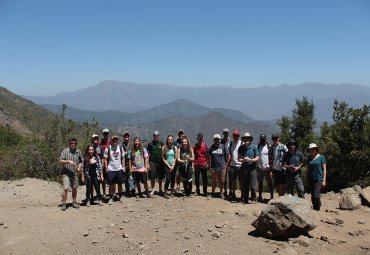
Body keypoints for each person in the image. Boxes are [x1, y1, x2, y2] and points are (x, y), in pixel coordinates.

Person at [59, 138, 83, 211]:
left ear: (76, 144)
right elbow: (60, 161)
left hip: (75, 173)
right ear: (69, 144)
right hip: (66, 172)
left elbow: (80, 161)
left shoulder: (78, 152)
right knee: (65, 188)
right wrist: (68, 161)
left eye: (75, 143)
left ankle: (74, 202)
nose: (73, 144)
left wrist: (79, 167)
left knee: (74, 188)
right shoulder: (65, 151)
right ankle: (64, 203)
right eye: (72, 143)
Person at [238, 133, 259, 204]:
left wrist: (250, 160)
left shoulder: (254, 147)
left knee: (253, 185)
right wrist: (244, 160)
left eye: (248, 138)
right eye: (245, 138)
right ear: (243, 139)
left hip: (252, 168)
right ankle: (246, 199)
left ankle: (254, 199)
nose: (246, 140)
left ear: (250, 139)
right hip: (244, 168)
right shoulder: (241, 148)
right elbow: (239, 159)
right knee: (245, 185)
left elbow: (257, 158)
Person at [103, 135, 125, 205]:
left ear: (117, 140)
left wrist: (123, 166)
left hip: (119, 168)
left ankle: (120, 196)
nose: (115, 141)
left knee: (120, 184)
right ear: (111, 140)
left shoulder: (120, 148)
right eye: (113, 139)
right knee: (111, 184)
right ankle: (111, 197)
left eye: (116, 139)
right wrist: (106, 168)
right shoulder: (108, 148)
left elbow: (123, 158)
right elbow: (105, 159)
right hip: (111, 169)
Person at [306, 143, 327, 211]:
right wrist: (306, 179)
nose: (312, 150)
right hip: (311, 179)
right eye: (310, 149)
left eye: (313, 149)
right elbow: (308, 169)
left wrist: (324, 181)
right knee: (312, 195)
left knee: (316, 195)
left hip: (318, 179)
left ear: (316, 149)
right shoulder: (309, 158)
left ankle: (317, 209)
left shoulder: (321, 157)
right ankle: (315, 208)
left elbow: (324, 169)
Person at [208, 134, 227, 199]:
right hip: (214, 167)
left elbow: (228, 156)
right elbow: (209, 156)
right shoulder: (212, 147)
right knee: (214, 181)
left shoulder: (223, 146)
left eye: (218, 139)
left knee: (222, 181)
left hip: (222, 167)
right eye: (215, 139)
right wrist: (210, 166)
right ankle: (212, 193)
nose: (217, 141)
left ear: (220, 140)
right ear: (214, 140)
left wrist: (226, 165)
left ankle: (221, 193)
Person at [225, 130, 242, 201]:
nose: (236, 137)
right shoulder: (230, 144)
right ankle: (233, 194)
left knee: (241, 181)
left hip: (240, 165)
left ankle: (242, 195)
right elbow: (229, 155)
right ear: (233, 136)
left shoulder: (242, 143)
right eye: (234, 136)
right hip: (233, 165)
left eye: (237, 136)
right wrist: (228, 165)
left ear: (239, 136)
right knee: (233, 181)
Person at [147, 130, 165, 196]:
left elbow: (163, 152)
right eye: (155, 135)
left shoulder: (161, 143)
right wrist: (148, 163)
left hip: (160, 162)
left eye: (157, 135)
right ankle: (153, 190)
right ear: (153, 136)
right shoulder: (150, 143)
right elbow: (147, 153)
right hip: (152, 162)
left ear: (159, 136)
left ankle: (160, 189)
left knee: (160, 177)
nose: (156, 137)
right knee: (152, 176)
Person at [257, 134, 273, 202]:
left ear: (265, 139)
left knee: (270, 183)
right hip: (260, 168)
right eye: (261, 140)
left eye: (263, 139)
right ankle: (260, 196)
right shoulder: (258, 147)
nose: (262, 141)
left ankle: (271, 196)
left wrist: (271, 167)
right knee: (260, 183)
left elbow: (272, 157)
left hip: (268, 168)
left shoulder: (269, 147)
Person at [122, 132, 133, 197]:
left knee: (132, 177)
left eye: (127, 136)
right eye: (125, 136)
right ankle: (127, 190)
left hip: (131, 162)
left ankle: (133, 190)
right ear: (124, 137)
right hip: (125, 162)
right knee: (126, 178)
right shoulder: (122, 145)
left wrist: (128, 152)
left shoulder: (131, 144)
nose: (126, 137)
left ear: (129, 137)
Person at [100, 128, 111, 198]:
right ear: (103, 134)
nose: (105, 135)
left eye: (106, 133)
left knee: (110, 178)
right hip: (103, 162)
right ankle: (104, 192)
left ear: (108, 134)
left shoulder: (110, 142)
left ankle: (111, 192)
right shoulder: (100, 142)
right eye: (104, 133)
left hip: (110, 162)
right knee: (103, 178)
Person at [221, 128, 231, 197]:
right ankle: (225, 191)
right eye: (224, 133)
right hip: (223, 161)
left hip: (231, 162)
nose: (225, 134)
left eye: (226, 133)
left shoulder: (231, 141)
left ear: (228, 133)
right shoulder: (221, 141)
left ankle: (231, 191)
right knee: (224, 177)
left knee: (231, 177)